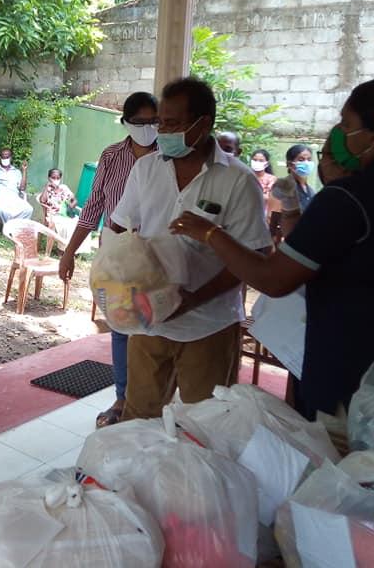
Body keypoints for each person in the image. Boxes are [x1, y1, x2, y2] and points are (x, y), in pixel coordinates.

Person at [169, 77, 374, 420]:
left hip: (359, 382)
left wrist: (209, 233)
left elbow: (274, 278)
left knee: (351, 467)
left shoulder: (351, 198)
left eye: (347, 124)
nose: (340, 133)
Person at [110, 77, 271, 421]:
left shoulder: (238, 181)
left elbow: (253, 258)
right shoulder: (146, 168)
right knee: (138, 419)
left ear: (204, 124)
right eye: (160, 122)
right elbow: (120, 227)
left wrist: (192, 301)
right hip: (150, 321)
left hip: (209, 324)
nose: (162, 130)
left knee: (207, 427)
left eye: (172, 123)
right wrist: (115, 275)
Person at [59, 91, 160, 428]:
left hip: (156, 259)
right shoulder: (112, 156)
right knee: (120, 328)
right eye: (140, 122)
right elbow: (93, 207)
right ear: (126, 123)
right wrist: (69, 251)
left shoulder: (169, 157)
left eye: (153, 121)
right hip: (116, 257)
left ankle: (149, 403)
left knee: (152, 329)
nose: (148, 128)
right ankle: (122, 397)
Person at [271, 144, 316, 238]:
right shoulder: (283, 186)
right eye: (301, 160)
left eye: (309, 159)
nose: (306, 163)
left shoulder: (310, 191)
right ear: (290, 164)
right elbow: (275, 216)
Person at [0, 148, 32, 225]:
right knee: (0, 210)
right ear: (0, 157)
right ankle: (8, 227)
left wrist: (24, 171)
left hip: (14, 197)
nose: (5, 158)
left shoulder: (16, 172)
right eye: (3, 157)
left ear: (11, 157)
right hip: (0, 197)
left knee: (28, 209)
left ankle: (18, 227)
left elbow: (22, 188)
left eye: (7, 157)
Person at [249, 148, 280, 226]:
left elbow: (273, 203)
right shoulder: (245, 176)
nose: (257, 162)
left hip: (264, 218)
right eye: (255, 160)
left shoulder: (272, 180)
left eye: (261, 160)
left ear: (266, 163)